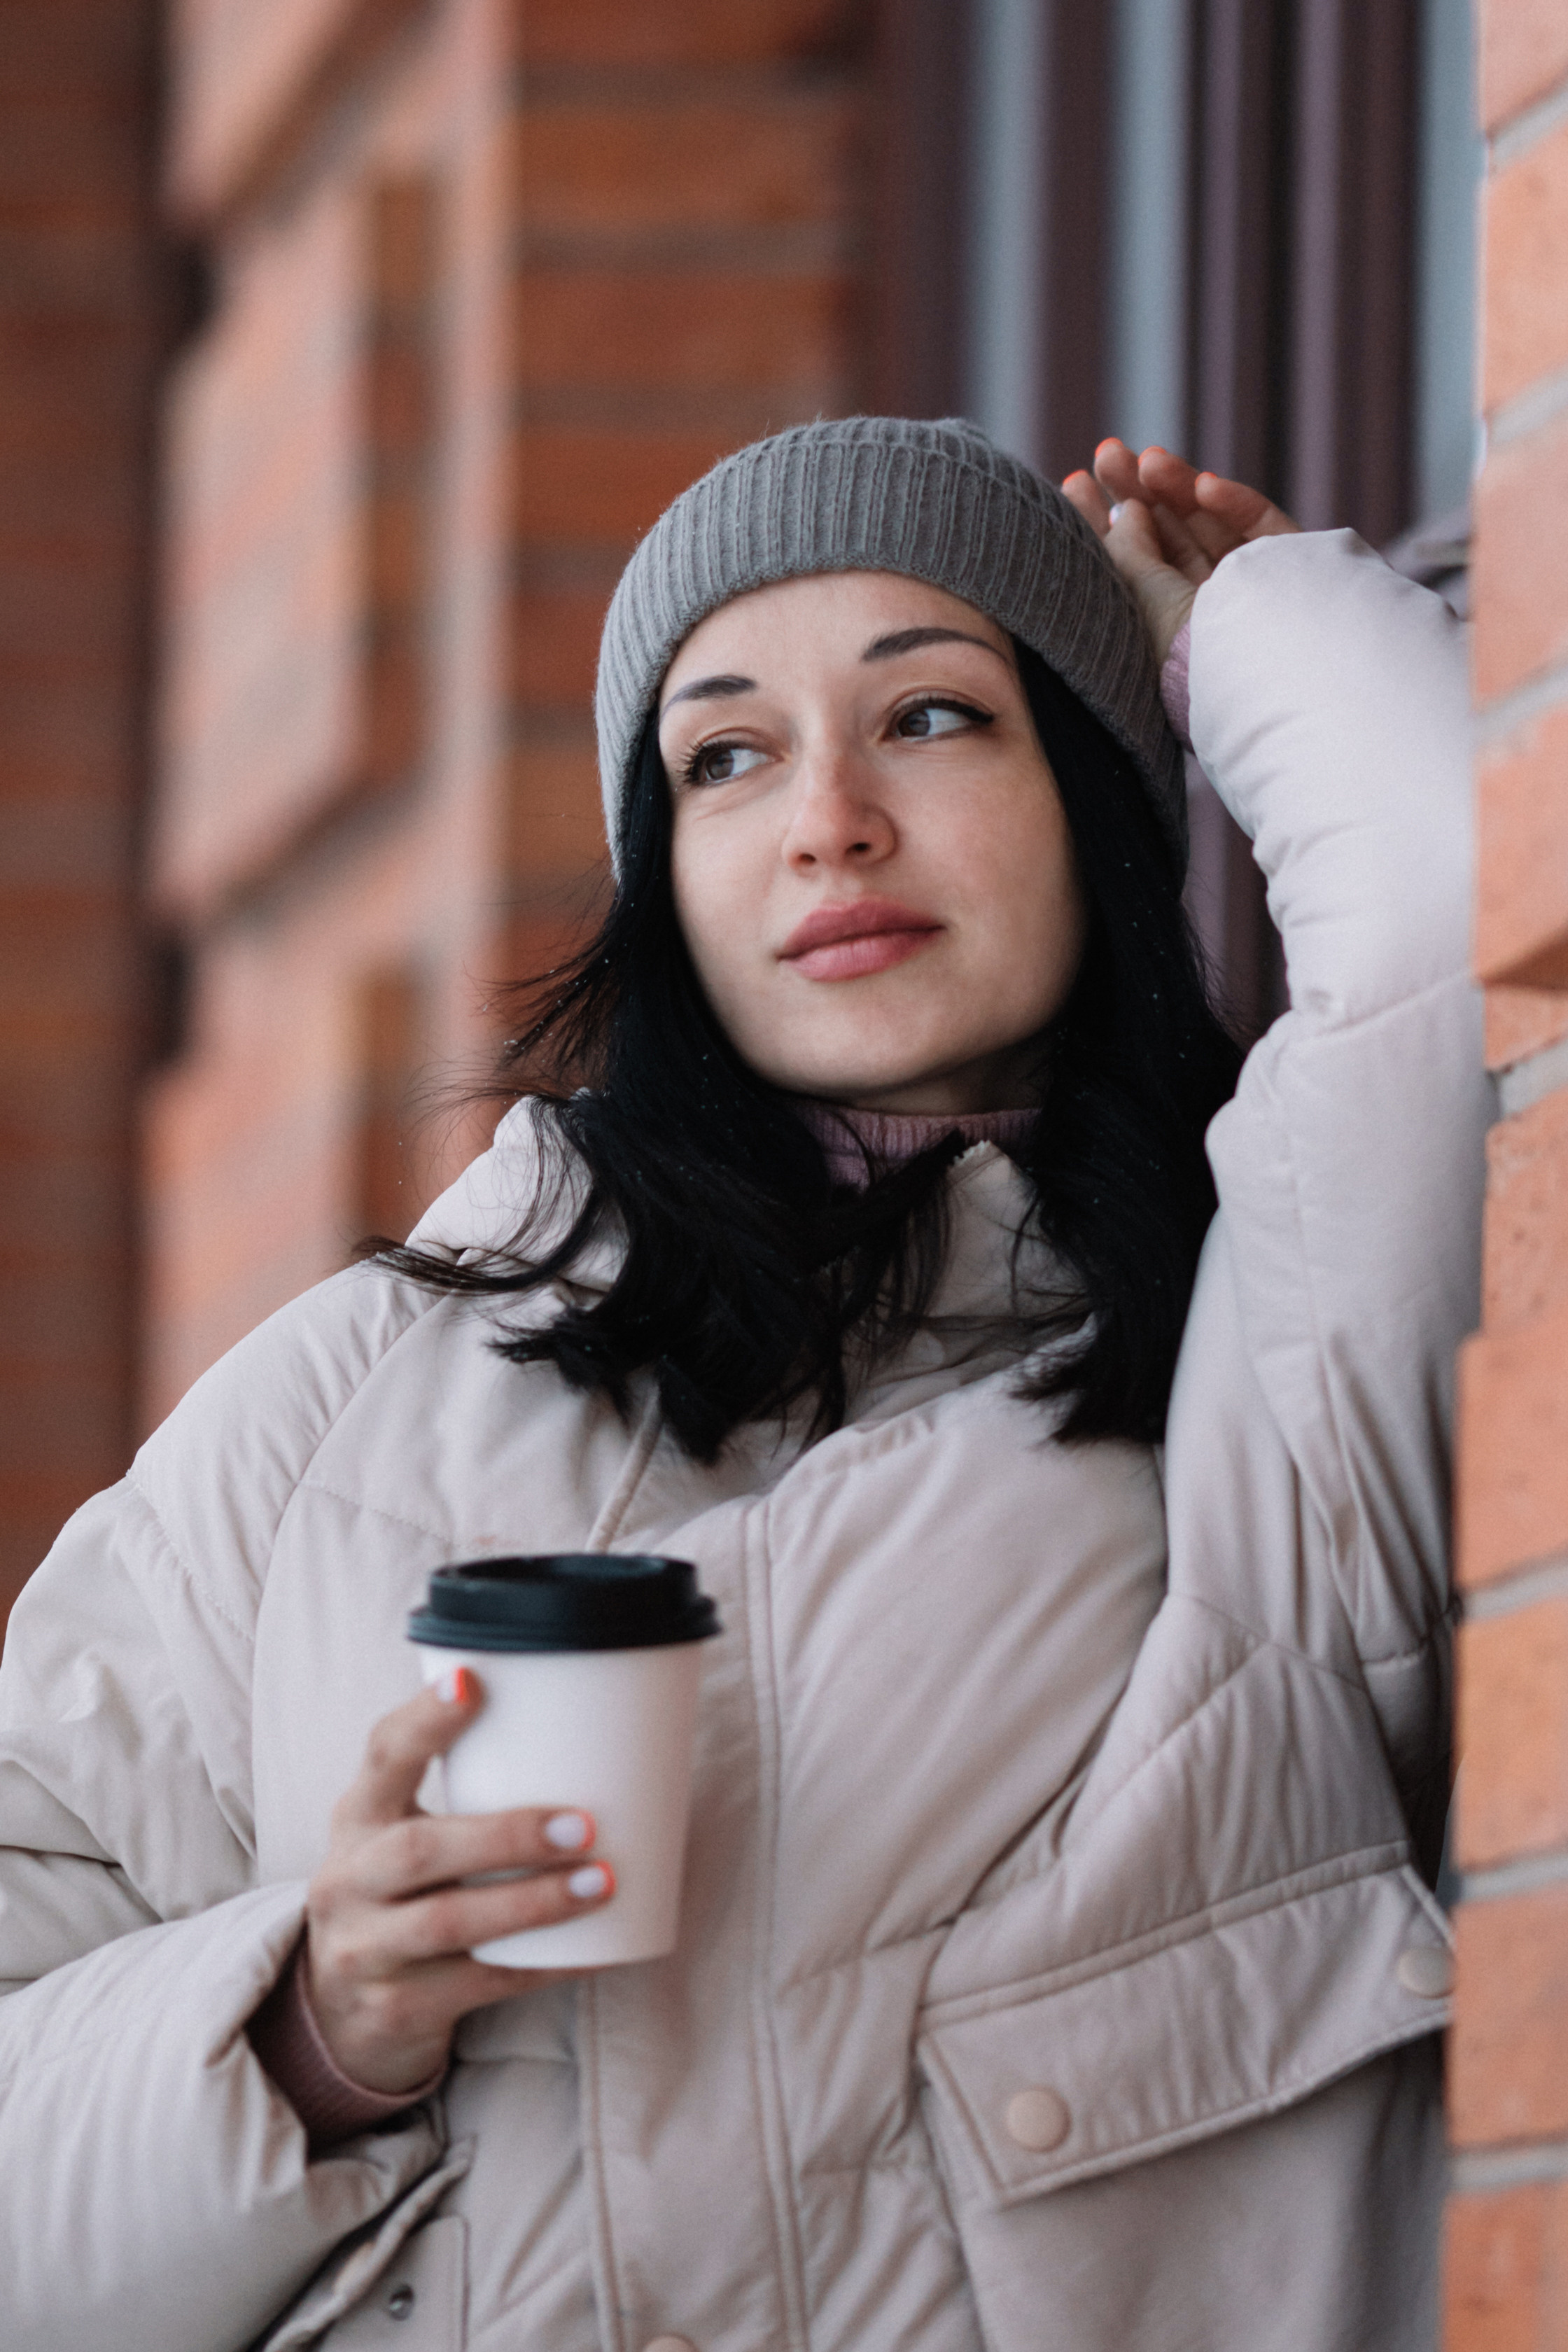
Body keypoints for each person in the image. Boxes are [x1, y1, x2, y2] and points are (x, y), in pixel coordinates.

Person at [0, 417, 1485, 2352]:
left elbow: (1461, 909)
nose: (829, 822)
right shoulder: (370, 1381)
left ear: (1101, 797)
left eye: (936, 719)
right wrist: (306, 2029)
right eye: (726, 756)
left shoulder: (1265, 1357)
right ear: (666, 877)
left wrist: (1248, 628)